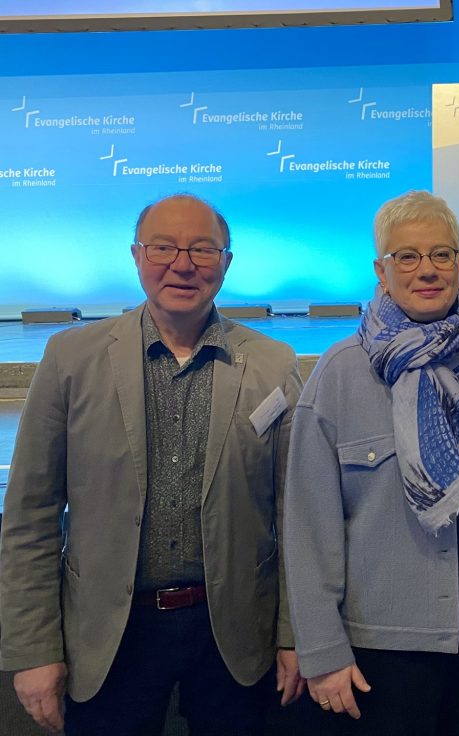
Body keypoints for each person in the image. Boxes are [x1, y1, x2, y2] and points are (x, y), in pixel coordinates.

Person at [0, 194, 305, 735]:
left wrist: (293, 635)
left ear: (226, 263)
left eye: (202, 250)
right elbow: (30, 515)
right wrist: (32, 649)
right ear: (137, 256)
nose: (182, 264)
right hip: (108, 634)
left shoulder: (272, 364)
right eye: (163, 247)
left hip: (235, 632)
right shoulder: (71, 359)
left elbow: (294, 516)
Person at [284, 190, 459, 735]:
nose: (427, 270)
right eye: (407, 256)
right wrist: (321, 651)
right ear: (380, 271)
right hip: (381, 652)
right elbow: (309, 526)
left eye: (442, 255)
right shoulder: (340, 375)